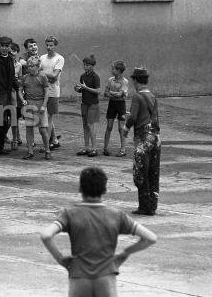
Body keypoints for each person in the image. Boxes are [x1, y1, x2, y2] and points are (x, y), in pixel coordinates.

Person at [40, 167, 157, 297]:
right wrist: (125, 253)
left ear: (80, 189)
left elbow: (46, 235)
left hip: (79, 276)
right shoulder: (117, 215)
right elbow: (150, 238)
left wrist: (61, 259)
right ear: (105, 190)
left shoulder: (69, 214)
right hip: (106, 275)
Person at [122, 68, 161, 216]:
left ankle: (144, 206)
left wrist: (125, 128)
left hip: (143, 137)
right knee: (153, 172)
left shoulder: (137, 97)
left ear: (136, 81)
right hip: (156, 137)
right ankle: (152, 205)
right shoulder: (153, 96)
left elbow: (132, 118)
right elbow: (155, 118)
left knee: (140, 172)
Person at [20, 56, 51, 160]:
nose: (30, 68)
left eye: (32, 66)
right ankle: (30, 151)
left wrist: (44, 105)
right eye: (28, 66)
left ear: (38, 66)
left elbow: (47, 92)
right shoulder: (25, 77)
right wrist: (22, 99)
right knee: (29, 129)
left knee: (43, 130)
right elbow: (20, 90)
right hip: (29, 104)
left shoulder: (42, 76)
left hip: (40, 103)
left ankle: (47, 150)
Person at [39, 35, 64, 151]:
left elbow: (54, 77)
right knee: (47, 118)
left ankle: (46, 145)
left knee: (48, 118)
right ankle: (54, 140)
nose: (49, 47)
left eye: (51, 45)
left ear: (55, 46)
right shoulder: (42, 58)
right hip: (42, 91)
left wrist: (41, 72)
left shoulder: (59, 59)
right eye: (47, 45)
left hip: (53, 92)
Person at [74, 55, 101, 157]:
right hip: (84, 103)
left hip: (93, 104)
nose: (85, 67)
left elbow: (98, 91)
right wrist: (78, 89)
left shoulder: (95, 76)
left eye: (88, 65)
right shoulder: (83, 76)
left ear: (93, 66)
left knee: (90, 125)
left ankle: (94, 148)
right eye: (84, 65)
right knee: (85, 126)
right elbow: (82, 89)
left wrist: (86, 87)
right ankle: (86, 147)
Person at [103, 61, 129, 157]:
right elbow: (105, 93)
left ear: (118, 71)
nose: (111, 70)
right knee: (109, 126)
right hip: (112, 104)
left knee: (121, 128)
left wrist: (111, 92)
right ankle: (105, 148)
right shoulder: (110, 80)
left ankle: (123, 149)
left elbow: (120, 95)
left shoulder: (125, 81)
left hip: (121, 105)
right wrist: (115, 94)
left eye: (113, 69)